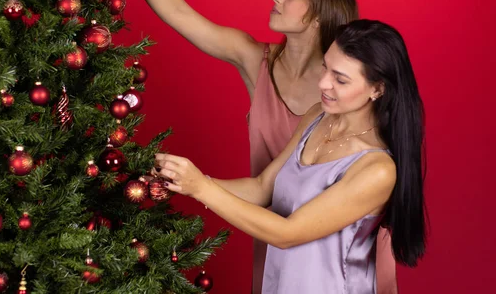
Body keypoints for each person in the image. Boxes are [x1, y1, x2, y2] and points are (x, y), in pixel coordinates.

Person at [81, 0, 399, 294]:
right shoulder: (266, 67)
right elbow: (178, 13)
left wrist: (201, 187)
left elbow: (302, 223)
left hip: (331, 247)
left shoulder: (348, 98)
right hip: (263, 223)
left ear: (319, 16)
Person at [154, 20, 427, 293]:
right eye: (325, 68)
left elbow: (287, 234)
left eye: (340, 79)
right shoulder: (315, 117)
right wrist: (181, 179)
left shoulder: (377, 169)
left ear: (378, 89)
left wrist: (201, 188)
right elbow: (262, 189)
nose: (323, 83)